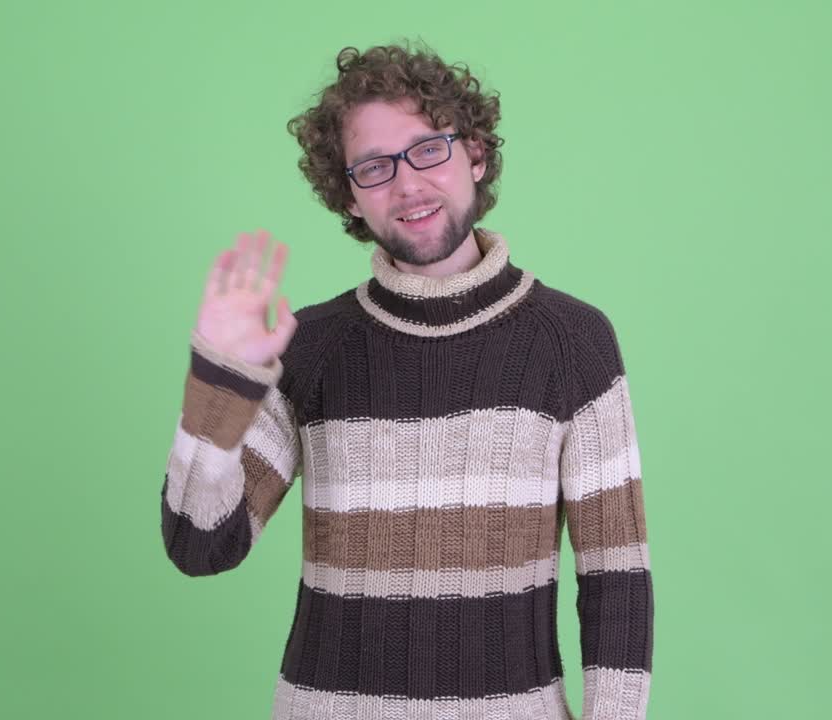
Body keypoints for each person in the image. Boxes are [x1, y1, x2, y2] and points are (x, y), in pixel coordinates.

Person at [159, 41, 653, 720]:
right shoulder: (313, 348)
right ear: (351, 198)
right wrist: (221, 382)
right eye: (374, 167)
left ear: (475, 155)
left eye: (429, 149)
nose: (407, 184)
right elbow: (200, 544)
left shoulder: (573, 343)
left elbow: (617, 581)